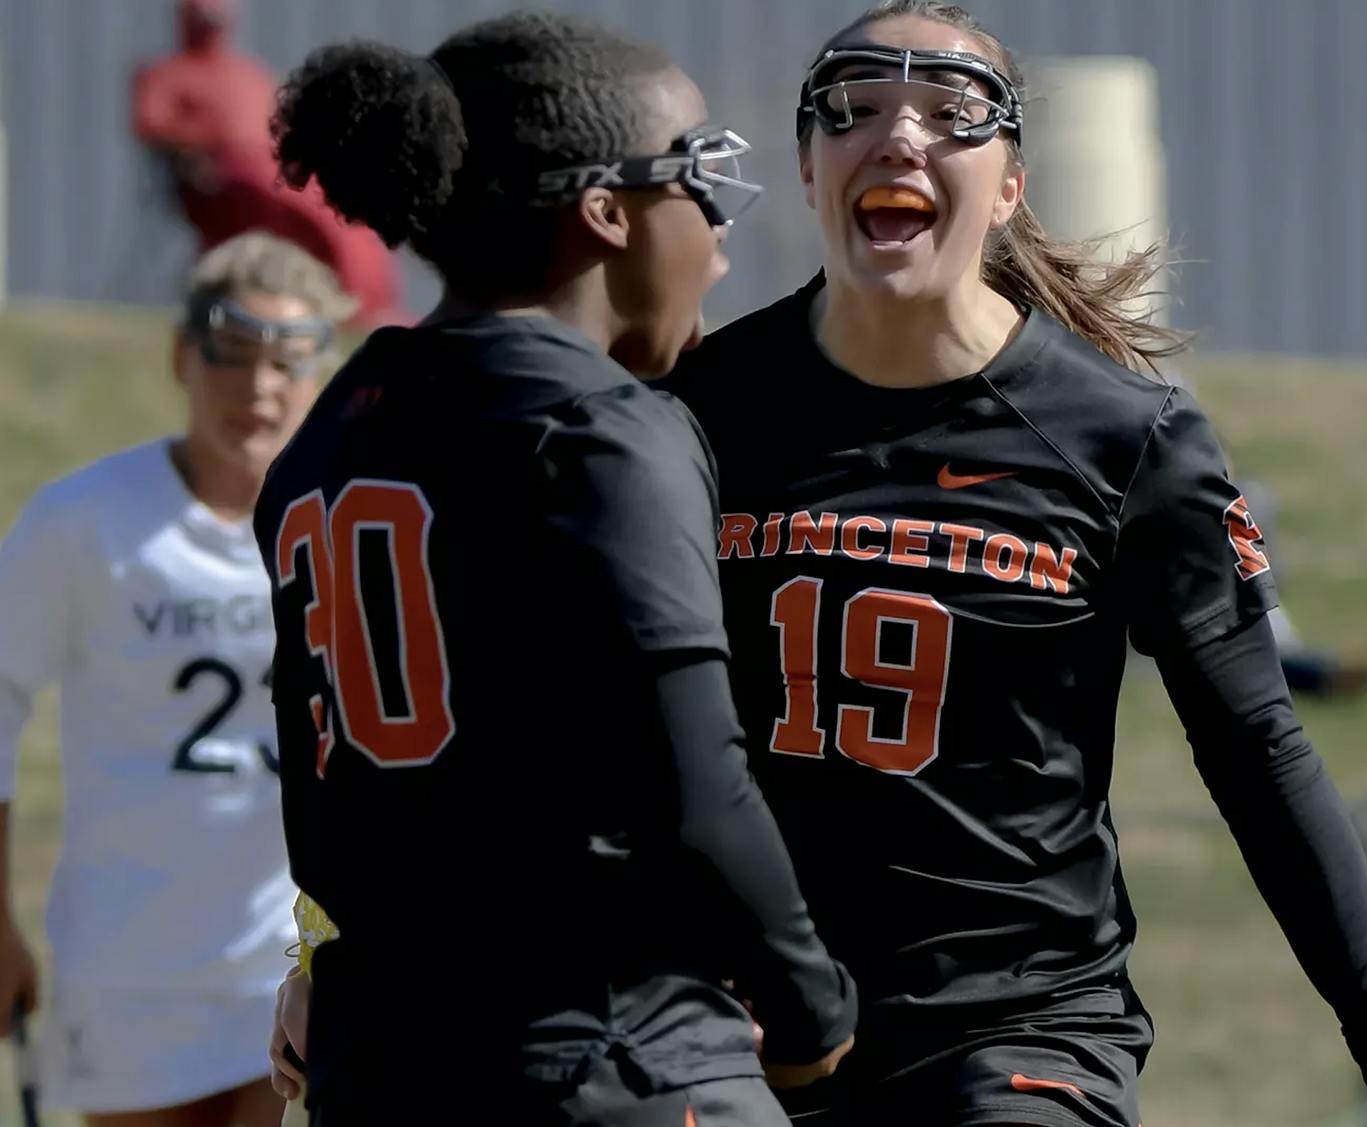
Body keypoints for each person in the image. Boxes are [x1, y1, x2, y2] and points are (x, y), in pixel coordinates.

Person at [664, 4, 1367, 1125]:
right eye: (857, 111)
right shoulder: (693, 413)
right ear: (809, 168)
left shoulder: (1125, 436)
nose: (900, 139)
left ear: (1010, 185)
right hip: (753, 1026)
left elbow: (1253, 743)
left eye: (948, 116)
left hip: (1015, 1020)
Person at [254, 13, 853, 1124]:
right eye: (697, 181)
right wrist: (813, 1006)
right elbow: (697, 779)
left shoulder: (322, 439)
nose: (719, 233)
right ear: (605, 212)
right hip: (608, 1058)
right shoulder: (597, 425)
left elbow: (322, 789)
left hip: (380, 1064)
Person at [0, 231, 350, 1126]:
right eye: (233, 358)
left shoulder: (353, 523)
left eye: (289, 362)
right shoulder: (85, 520)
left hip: (295, 965)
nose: (260, 388)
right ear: (181, 356)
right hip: (131, 971)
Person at [132, 0, 405, 328]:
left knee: (345, 208)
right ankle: (351, 305)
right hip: (222, 174)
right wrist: (204, 139)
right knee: (300, 209)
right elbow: (150, 124)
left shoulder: (248, 71)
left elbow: (284, 122)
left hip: (277, 165)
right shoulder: (167, 72)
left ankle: (369, 304)